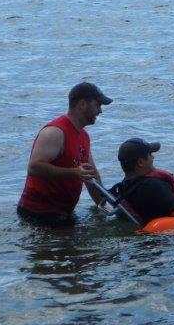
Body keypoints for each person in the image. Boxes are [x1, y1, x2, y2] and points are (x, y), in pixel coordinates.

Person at [17, 82, 112, 226]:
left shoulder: (84, 136)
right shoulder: (55, 132)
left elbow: (90, 176)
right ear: (82, 104)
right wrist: (74, 173)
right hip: (38, 214)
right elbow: (34, 167)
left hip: (63, 214)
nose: (100, 111)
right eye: (97, 105)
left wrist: (107, 208)